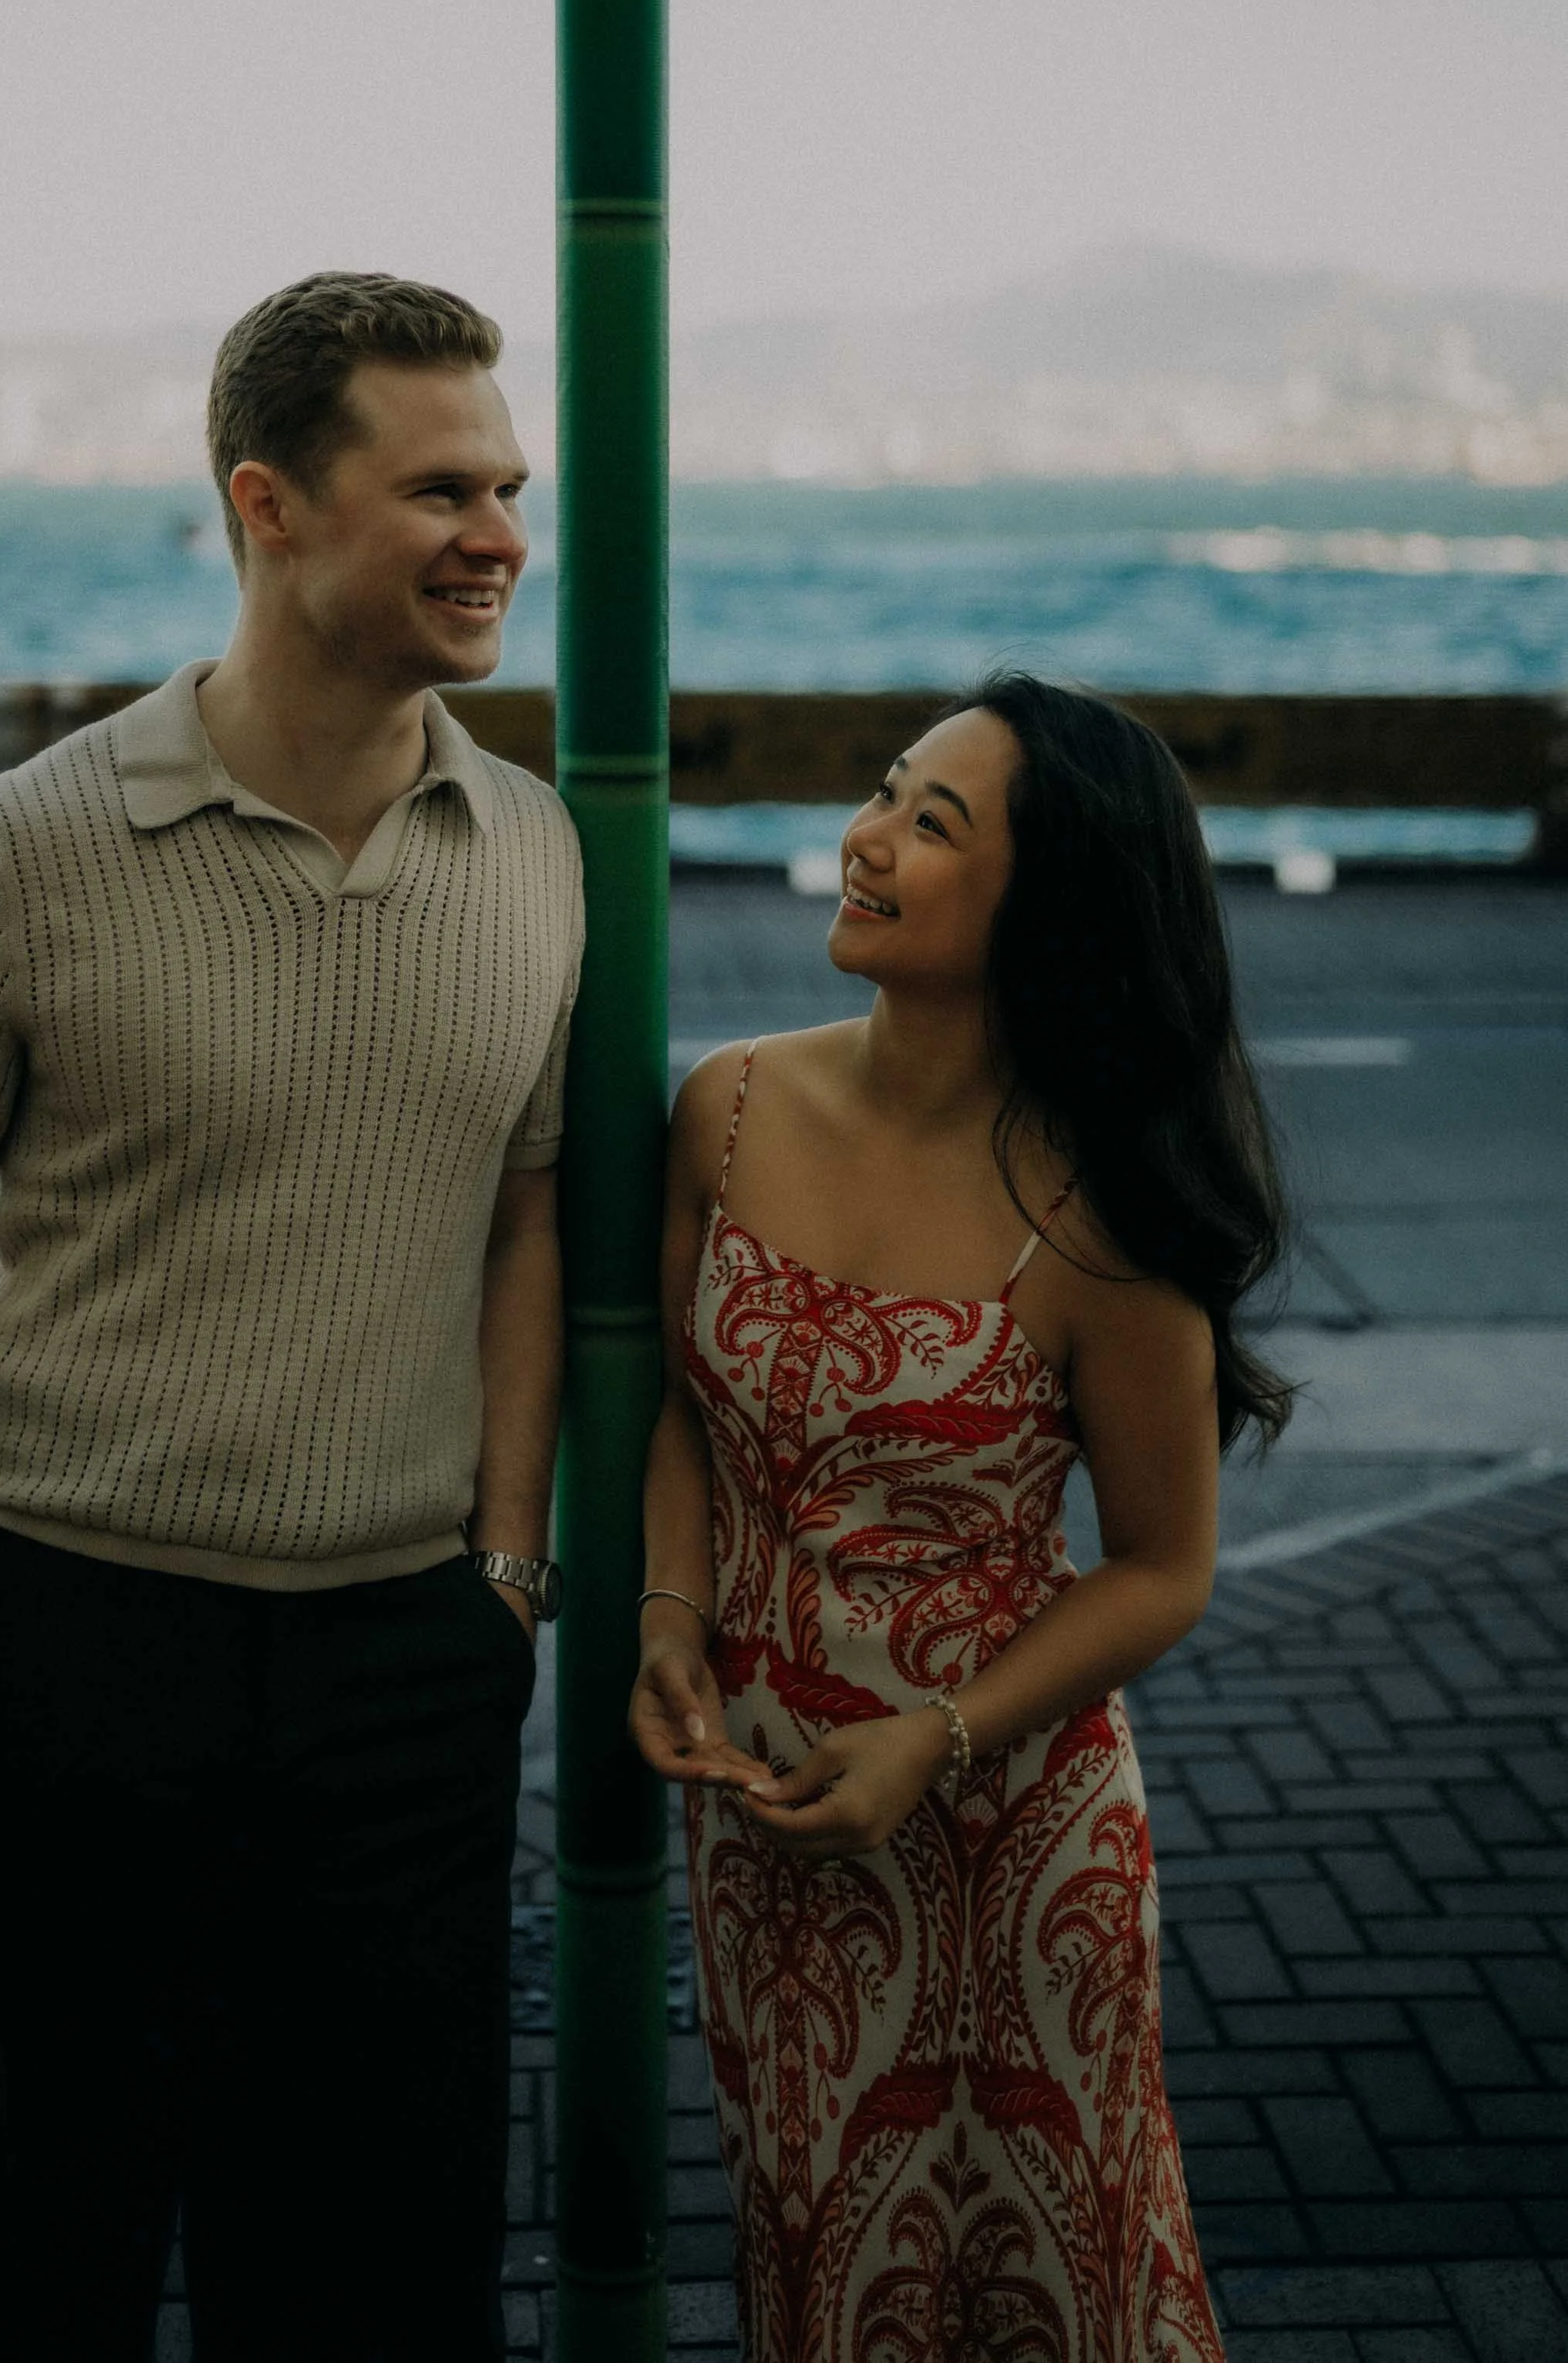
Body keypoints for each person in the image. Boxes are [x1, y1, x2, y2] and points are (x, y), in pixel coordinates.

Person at [0, 273, 580, 2363]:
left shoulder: (535, 847)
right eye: (438, 487)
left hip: (403, 1665)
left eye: (506, 482)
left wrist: (500, 1565)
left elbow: (525, 1211)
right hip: (60, 1646)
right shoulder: (25, 850)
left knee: (381, 2289)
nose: (498, 529)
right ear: (269, 505)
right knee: (32, 2266)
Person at [631, 673, 1289, 2363]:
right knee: (817, 2263)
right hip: (769, 1823)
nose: (864, 839)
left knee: (1057, 2274)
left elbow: (1160, 1565)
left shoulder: (1097, 1213)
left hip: (1010, 1826)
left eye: (931, 823)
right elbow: (679, 1420)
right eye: (878, 792)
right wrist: (667, 1618)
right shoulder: (725, 1109)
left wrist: (937, 1731)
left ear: (1045, 902)